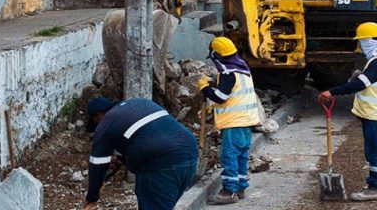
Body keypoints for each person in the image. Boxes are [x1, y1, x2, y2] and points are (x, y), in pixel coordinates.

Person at [318, 22, 377, 201]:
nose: (360, 47)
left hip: (375, 113)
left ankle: (375, 188)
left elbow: (360, 84)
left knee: (375, 151)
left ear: (369, 41)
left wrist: (332, 91)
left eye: (361, 42)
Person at [82, 97, 198, 210]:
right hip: (189, 155)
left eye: (95, 123)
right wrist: (123, 159)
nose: (97, 127)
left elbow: (97, 164)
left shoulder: (106, 123)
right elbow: (150, 136)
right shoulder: (139, 103)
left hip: (160, 165)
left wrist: (92, 196)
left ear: (97, 115)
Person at [197, 36, 260, 205]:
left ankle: (229, 191)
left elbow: (220, 97)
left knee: (229, 156)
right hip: (246, 122)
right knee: (241, 156)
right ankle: (241, 187)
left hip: (234, 124)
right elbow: (234, 96)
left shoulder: (228, 74)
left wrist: (205, 88)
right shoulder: (242, 69)